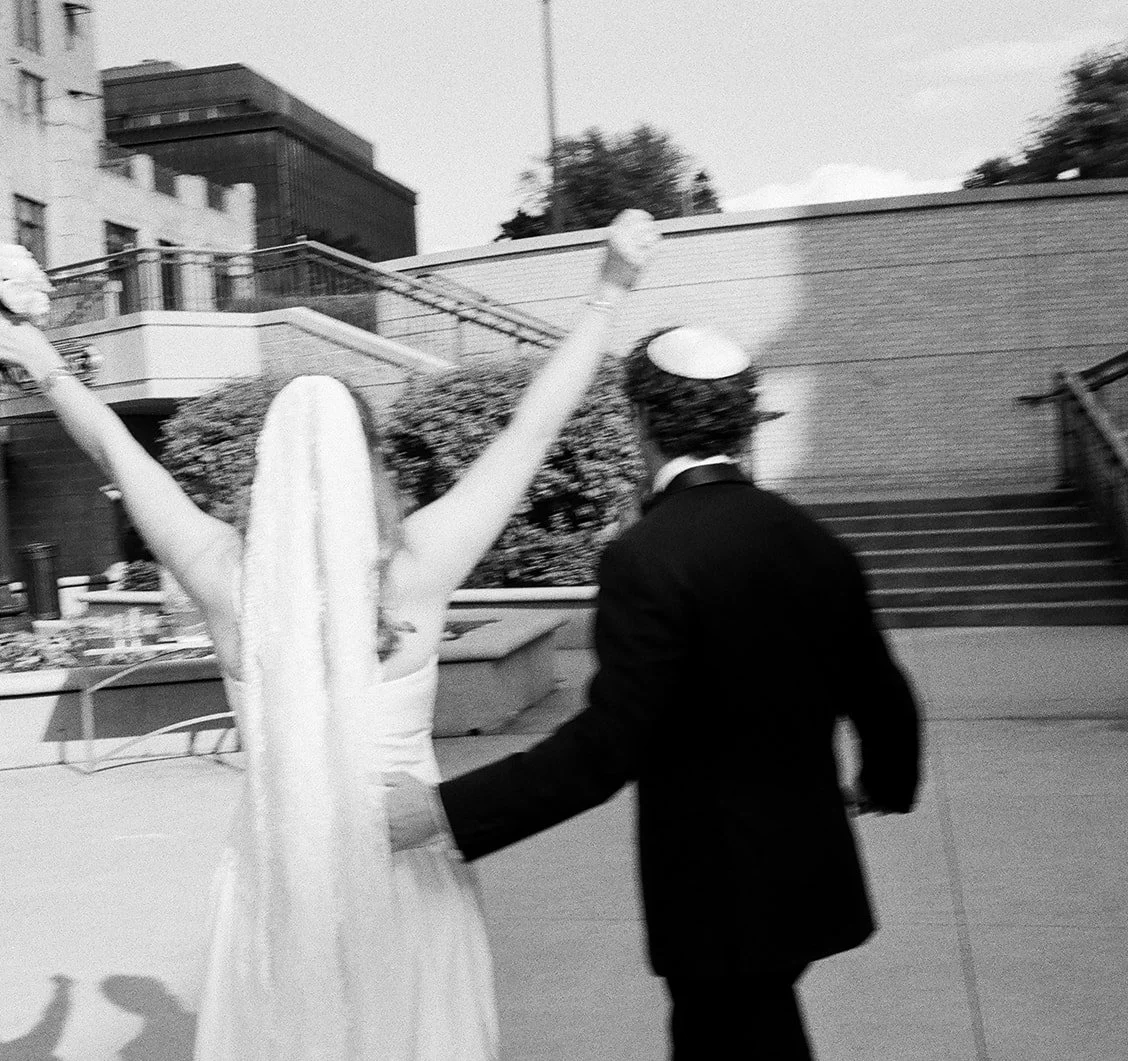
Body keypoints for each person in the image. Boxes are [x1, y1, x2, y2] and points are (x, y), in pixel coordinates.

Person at [0, 209, 664, 1061]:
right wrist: (607, 292)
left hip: (278, 881)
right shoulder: (417, 564)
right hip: (403, 867)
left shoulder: (225, 573)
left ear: (265, 472)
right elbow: (529, 434)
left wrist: (44, 363)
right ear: (371, 463)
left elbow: (117, 452)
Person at [386, 324, 924, 1060]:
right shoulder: (816, 542)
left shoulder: (645, 556)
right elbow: (884, 694)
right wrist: (883, 782)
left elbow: (606, 748)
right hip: (802, 876)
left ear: (640, 419)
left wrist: (444, 811)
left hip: (714, 896)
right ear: (742, 420)